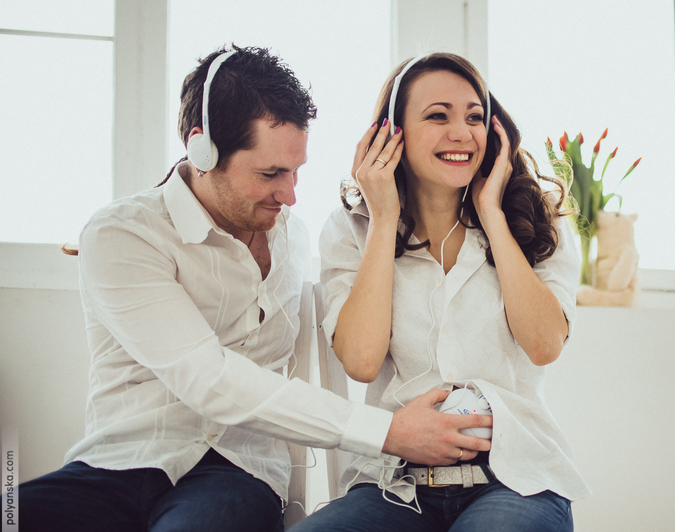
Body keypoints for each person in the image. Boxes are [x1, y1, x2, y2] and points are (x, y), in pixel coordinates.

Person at [18, 46, 492, 532]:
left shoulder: (292, 235)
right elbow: (207, 378)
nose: (290, 195)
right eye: (270, 174)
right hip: (119, 464)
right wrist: (386, 431)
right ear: (202, 151)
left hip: (236, 472)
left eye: (296, 170)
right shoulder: (124, 233)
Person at [290, 53, 591, 532]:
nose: (461, 133)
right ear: (392, 134)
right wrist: (384, 218)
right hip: (396, 484)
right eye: (437, 116)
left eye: (474, 117)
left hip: (515, 479)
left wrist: (492, 213)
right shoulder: (352, 228)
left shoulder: (537, 219)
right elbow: (362, 361)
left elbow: (543, 345)